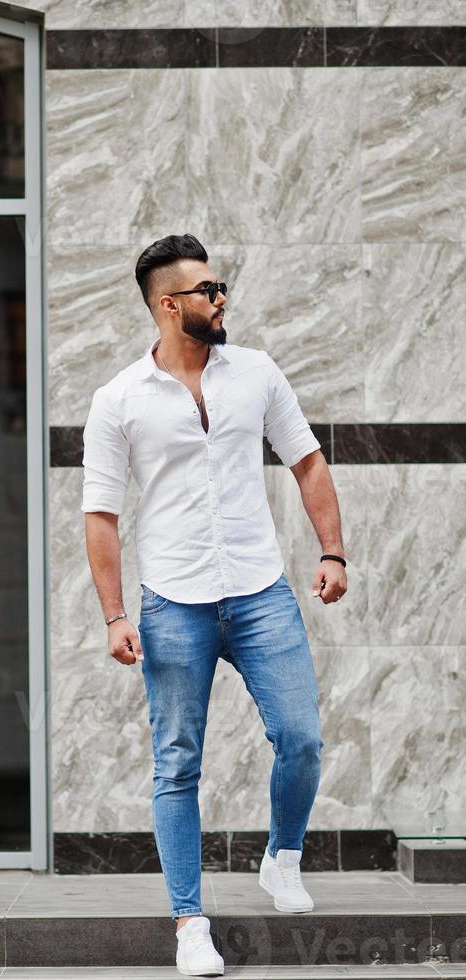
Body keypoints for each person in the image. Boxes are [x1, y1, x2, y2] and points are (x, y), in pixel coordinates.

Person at [81, 233, 347, 977]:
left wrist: (332, 551)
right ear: (169, 305)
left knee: (301, 738)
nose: (222, 297)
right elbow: (100, 514)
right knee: (177, 765)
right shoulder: (119, 400)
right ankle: (189, 922)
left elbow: (307, 459)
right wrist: (113, 615)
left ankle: (282, 857)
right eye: (208, 289)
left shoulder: (256, 373)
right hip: (174, 603)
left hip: (261, 592)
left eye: (221, 285)